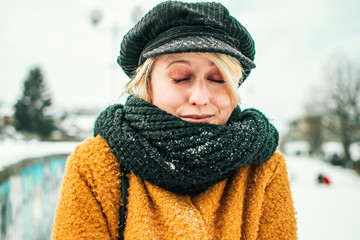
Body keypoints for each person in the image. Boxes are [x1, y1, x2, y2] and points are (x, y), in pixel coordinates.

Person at [52, 1, 297, 239]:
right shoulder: (95, 167)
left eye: (218, 78)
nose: (200, 97)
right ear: (145, 81)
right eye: (180, 77)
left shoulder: (264, 170)